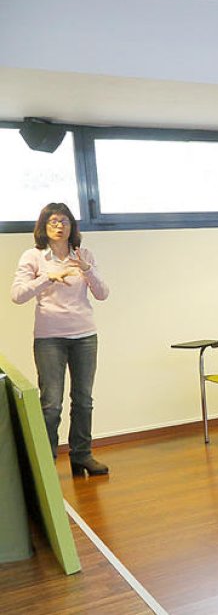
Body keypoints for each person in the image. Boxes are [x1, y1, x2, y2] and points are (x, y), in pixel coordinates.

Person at [10, 203, 111, 476]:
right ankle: (46, 463)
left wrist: (88, 269)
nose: (59, 226)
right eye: (53, 221)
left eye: (64, 221)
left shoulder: (83, 254)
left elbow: (102, 293)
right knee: (51, 404)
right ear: (44, 226)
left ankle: (82, 456)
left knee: (83, 400)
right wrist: (47, 277)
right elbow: (17, 295)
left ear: (72, 227)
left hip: (85, 336)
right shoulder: (33, 257)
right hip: (49, 338)